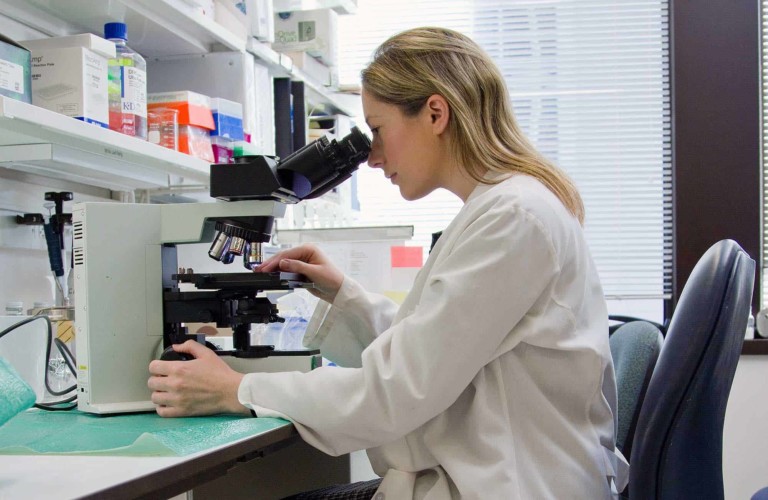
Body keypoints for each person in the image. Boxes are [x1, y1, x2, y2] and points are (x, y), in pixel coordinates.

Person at [148, 26, 629, 499]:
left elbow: (395, 393)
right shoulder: (505, 209)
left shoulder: (512, 219)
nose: (373, 157)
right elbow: (435, 351)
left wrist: (237, 391)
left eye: (377, 130)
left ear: (435, 113)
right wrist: (344, 294)